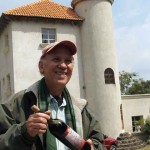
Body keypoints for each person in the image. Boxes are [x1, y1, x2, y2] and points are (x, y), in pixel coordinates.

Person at [0, 40, 105, 150]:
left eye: (68, 61)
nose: (63, 65)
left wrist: (93, 146)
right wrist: (24, 132)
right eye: (56, 59)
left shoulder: (80, 109)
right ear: (42, 66)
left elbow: (98, 140)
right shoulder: (18, 103)